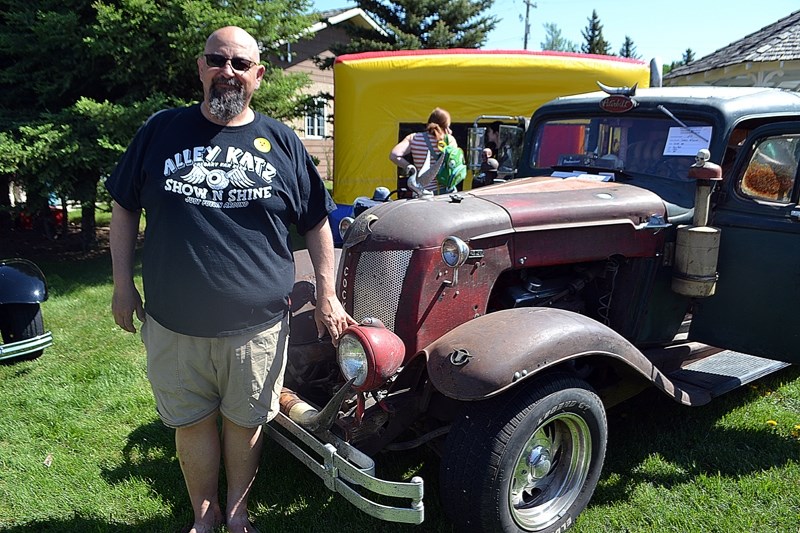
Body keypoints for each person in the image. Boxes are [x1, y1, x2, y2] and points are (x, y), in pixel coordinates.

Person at [106, 26, 355, 533]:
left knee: (246, 422)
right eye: (217, 60)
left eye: (240, 64)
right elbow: (124, 208)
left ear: (258, 76)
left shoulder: (282, 143)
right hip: (175, 322)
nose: (228, 72)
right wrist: (121, 284)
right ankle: (205, 512)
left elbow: (315, 222)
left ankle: (238, 513)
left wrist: (327, 292)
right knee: (191, 421)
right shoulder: (160, 130)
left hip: (256, 326)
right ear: (201, 68)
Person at [389, 107, 459, 194]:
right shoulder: (449, 140)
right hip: (444, 192)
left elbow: (394, 155)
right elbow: (455, 164)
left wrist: (411, 168)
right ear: (445, 126)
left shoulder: (413, 138)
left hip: (421, 191)